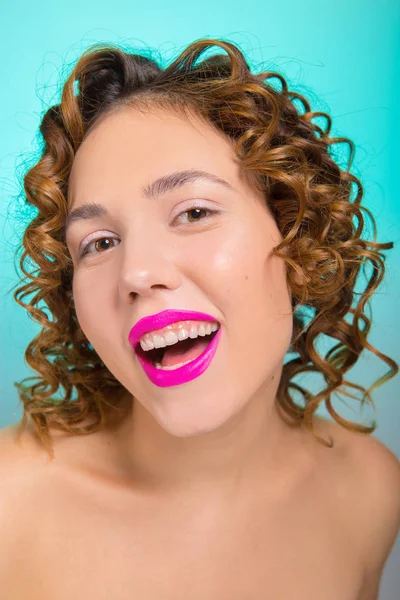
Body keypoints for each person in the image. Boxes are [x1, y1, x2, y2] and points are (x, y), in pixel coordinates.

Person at [0, 38, 399, 599]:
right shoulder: (8, 506)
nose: (136, 272)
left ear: (296, 236)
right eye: (99, 242)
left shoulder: (372, 493)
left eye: (193, 212)